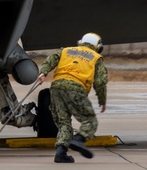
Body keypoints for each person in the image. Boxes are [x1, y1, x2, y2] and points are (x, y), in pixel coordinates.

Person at [37, 32, 108, 163]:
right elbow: (100, 82)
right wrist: (102, 100)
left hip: (56, 87)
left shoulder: (66, 50)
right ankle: (78, 140)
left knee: (64, 123)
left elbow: (51, 59)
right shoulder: (96, 58)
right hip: (75, 88)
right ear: (98, 46)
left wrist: (43, 73)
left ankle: (61, 153)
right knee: (90, 121)